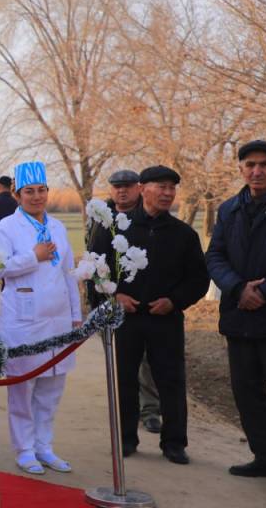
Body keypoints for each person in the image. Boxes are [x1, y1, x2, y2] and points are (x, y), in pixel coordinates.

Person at [90, 165, 210, 465]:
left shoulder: (183, 234)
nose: (168, 193)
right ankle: (125, 438)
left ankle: (174, 442)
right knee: (124, 379)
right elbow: (95, 269)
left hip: (165, 320)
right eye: (161, 187)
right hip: (126, 318)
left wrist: (174, 300)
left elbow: (198, 279)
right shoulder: (116, 228)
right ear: (143, 189)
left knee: (171, 381)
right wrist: (114, 296)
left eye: (172, 188)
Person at [206, 140, 266, 493]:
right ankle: (265, 458)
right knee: (247, 393)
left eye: (264, 164)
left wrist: (264, 291)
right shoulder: (229, 209)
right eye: (250, 164)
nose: (256, 171)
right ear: (241, 168)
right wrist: (237, 288)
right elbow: (215, 256)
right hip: (239, 317)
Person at [0, 161, 82, 475]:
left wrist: (75, 315)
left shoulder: (57, 227)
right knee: (23, 388)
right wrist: (34, 256)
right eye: (29, 191)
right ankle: (25, 449)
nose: (36, 196)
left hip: (57, 319)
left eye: (41, 190)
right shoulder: (7, 227)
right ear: (16, 195)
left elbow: (68, 273)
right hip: (24, 319)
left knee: (51, 388)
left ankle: (44, 446)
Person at [93, 169, 162, 435]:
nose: (122, 191)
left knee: (147, 362)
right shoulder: (102, 219)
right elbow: (95, 262)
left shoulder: (151, 216)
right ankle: (125, 413)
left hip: (145, 302)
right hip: (112, 302)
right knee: (120, 363)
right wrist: (107, 298)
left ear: (139, 188)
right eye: (117, 186)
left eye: (128, 186)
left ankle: (150, 410)